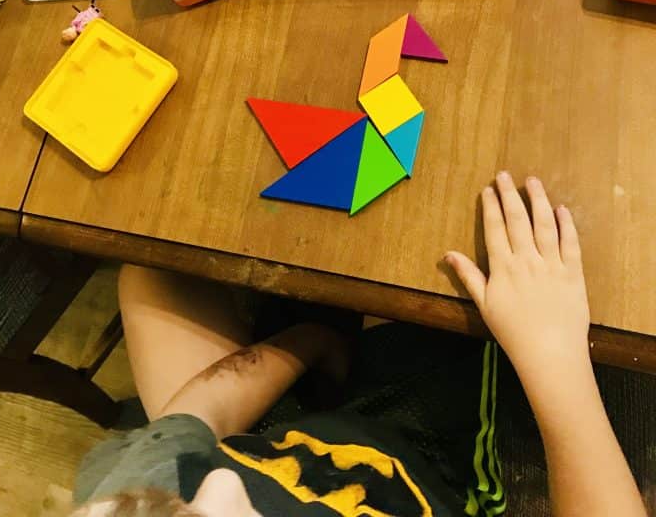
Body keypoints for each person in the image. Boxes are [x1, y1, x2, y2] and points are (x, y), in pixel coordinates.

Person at [70, 173, 648, 517]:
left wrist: (309, 342)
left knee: (149, 272)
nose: (219, 483)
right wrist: (554, 352)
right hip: (428, 458)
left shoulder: (133, 495)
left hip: (298, 436)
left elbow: (196, 418)